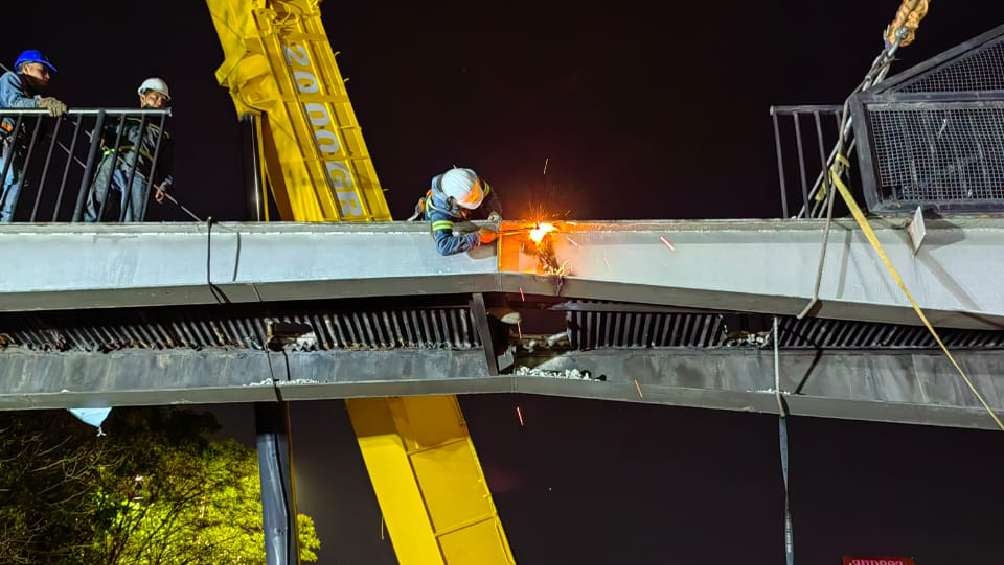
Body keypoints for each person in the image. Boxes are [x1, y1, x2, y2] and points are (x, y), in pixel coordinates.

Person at [84, 77, 174, 222]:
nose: (158, 103)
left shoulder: (164, 133)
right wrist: (99, 135)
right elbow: (104, 130)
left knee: (133, 219)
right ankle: (84, 238)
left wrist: (164, 185)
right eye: (154, 98)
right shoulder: (123, 116)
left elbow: (166, 164)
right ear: (142, 98)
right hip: (110, 163)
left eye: (162, 100)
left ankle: (129, 242)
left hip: (139, 171)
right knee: (94, 210)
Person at [0, 50, 67, 222]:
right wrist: (41, 104)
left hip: (14, 149)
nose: (47, 76)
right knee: (9, 182)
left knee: (12, 193)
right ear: (27, 68)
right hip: (3, 144)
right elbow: (13, 103)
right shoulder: (10, 78)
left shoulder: (32, 96)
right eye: (42, 70)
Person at [413, 167, 501, 256]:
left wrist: (494, 211)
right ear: (453, 202)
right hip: (441, 216)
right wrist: (477, 237)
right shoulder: (439, 213)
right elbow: (443, 246)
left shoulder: (470, 182)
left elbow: (489, 194)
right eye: (469, 201)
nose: (475, 199)